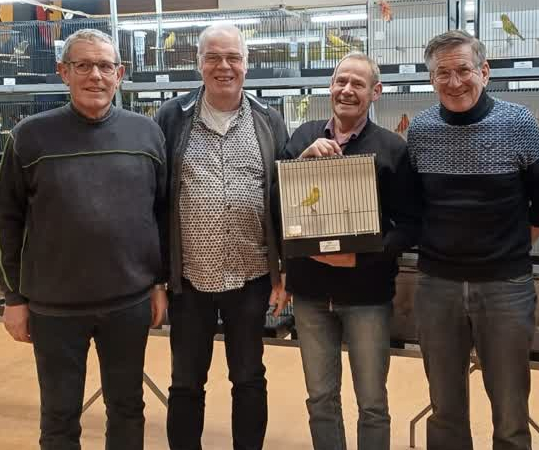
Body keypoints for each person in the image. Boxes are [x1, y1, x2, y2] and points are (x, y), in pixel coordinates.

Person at [0, 29, 168, 450]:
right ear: (63, 72)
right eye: (83, 65)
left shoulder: (147, 134)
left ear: (120, 74)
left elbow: (160, 214)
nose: (96, 75)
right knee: (59, 417)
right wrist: (13, 299)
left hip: (129, 302)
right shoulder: (29, 137)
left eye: (105, 66)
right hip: (54, 308)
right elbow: (6, 220)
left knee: (127, 407)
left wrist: (158, 282)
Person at [405, 30, 539, 450]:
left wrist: (512, 245)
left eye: (463, 70)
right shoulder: (420, 130)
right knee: (445, 406)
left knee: (510, 408)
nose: (454, 82)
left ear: (484, 72)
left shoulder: (518, 123)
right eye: (442, 73)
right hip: (437, 286)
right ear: (431, 79)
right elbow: (414, 203)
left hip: (505, 285)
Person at [153, 24, 289, 450]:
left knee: (248, 377)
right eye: (213, 57)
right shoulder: (172, 118)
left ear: (246, 64)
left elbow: (281, 200)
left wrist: (283, 271)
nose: (223, 66)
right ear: (199, 64)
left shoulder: (269, 120)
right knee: (185, 382)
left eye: (232, 57)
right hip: (189, 280)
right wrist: (158, 277)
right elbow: (156, 199)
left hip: (251, 277)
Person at [279, 52, 419, 450]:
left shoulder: (391, 148)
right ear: (330, 86)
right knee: (321, 399)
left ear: (376, 92)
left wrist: (362, 257)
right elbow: (277, 206)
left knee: (372, 402)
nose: (347, 90)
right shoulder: (302, 137)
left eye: (358, 83)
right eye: (341, 81)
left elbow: (411, 225)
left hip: (367, 296)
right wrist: (300, 162)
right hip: (310, 295)